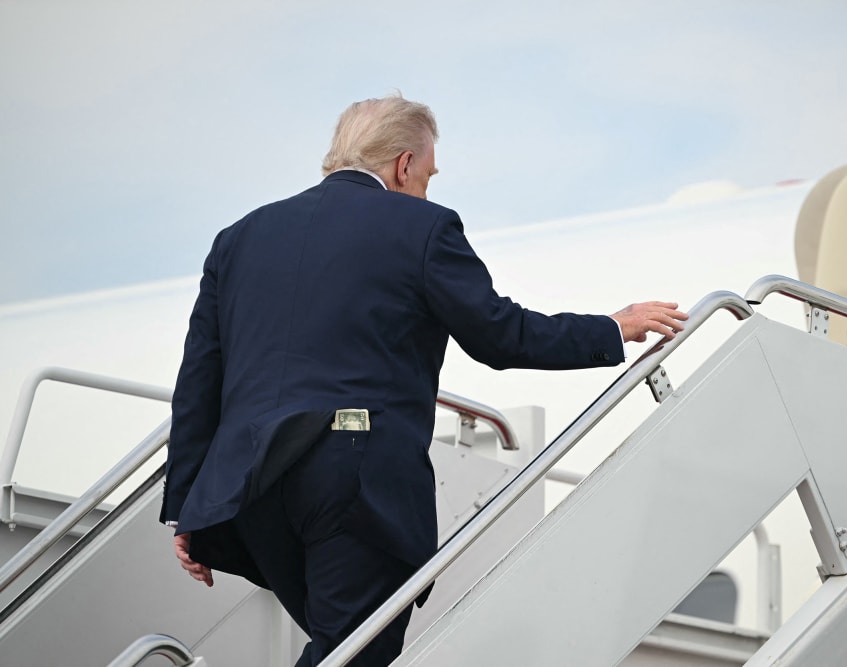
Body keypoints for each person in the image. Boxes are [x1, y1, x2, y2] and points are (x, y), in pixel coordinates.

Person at [160, 93, 688, 667]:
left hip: (249, 489)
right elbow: (499, 335)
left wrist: (187, 507)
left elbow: (199, 380)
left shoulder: (238, 238)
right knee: (357, 652)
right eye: (428, 177)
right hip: (351, 476)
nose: (427, 190)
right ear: (404, 164)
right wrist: (611, 328)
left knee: (340, 645)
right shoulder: (422, 226)